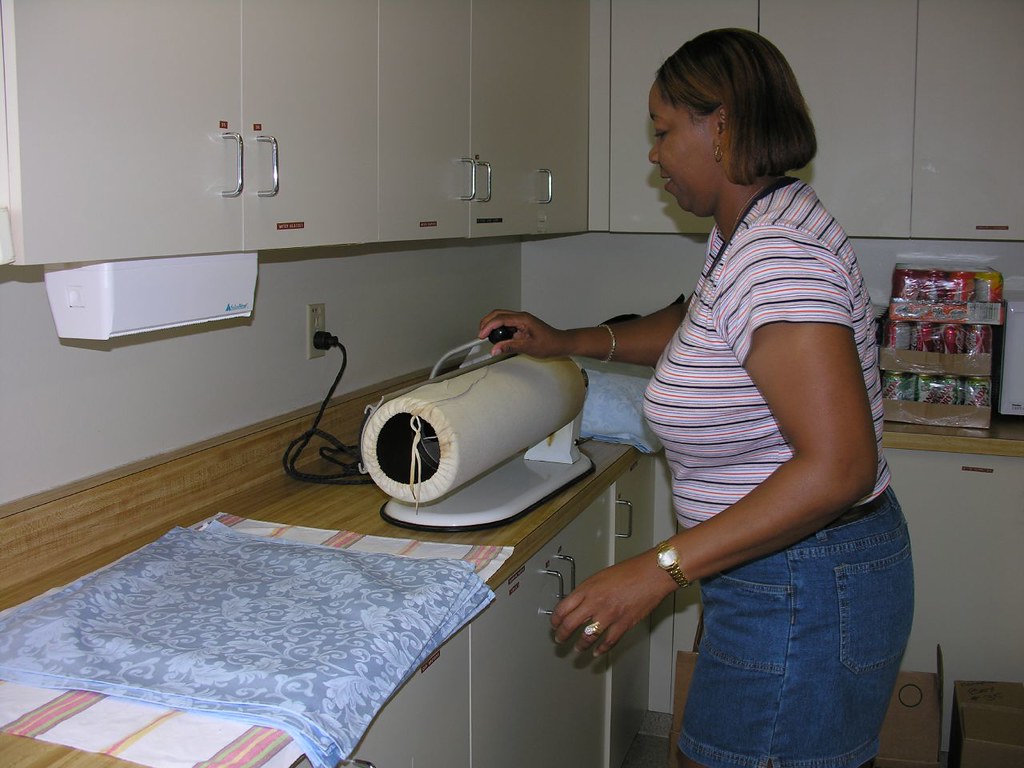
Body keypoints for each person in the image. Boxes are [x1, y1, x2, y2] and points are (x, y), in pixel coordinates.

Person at [479, 28, 913, 768]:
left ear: (724, 126)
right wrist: (567, 339)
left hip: (802, 581)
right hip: (779, 571)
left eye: (662, 129)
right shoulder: (753, 230)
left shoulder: (776, 256)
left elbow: (839, 467)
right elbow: (699, 325)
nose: (653, 153)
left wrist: (659, 569)